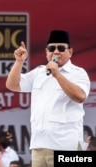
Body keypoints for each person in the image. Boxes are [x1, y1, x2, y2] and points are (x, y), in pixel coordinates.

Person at [6, 30, 91, 167]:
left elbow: (80, 96)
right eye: (52, 48)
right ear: (46, 52)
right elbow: (12, 85)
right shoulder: (39, 72)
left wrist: (57, 74)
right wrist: (19, 62)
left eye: (61, 48)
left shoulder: (78, 73)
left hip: (65, 147)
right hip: (39, 145)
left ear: (70, 52)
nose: (56, 52)